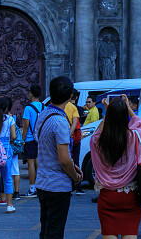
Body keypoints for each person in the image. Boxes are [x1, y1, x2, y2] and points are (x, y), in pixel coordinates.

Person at [89, 95, 141, 239]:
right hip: (130, 196)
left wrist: (108, 113)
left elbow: (97, 133)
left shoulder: (98, 141)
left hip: (107, 197)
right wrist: (128, 109)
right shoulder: (135, 136)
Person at [35, 76, 84, 239]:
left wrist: (73, 166)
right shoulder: (60, 122)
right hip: (57, 185)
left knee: (46, 229)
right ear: (70, 97)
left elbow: (49, 148)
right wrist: (75, 177)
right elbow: (63, 159)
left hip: (43, 182)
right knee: (55, 232)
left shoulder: (43, 115)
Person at [21, 83, 43, 197]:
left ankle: (32, 188)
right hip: (41, 139)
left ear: (31, 94)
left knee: (31, 164)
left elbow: (26, 126)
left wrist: (22, 140)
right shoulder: (44, 107)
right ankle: (40, 186)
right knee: (39, 163)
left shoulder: (28, 108)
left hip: (30, 138)